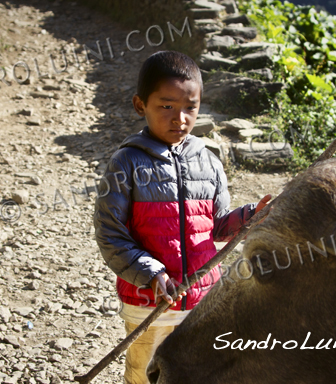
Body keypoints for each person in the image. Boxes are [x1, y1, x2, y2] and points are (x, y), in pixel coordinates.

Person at [94, 50, 271, 384]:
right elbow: (110, 233)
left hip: (203, 300)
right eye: (166, 106)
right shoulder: (127, 164)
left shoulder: (209, 162)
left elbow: (218, 225)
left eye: (190, 107)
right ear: (139, 105)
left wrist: (251, 217)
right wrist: (150, 273)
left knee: (200, 373)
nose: (180, 119)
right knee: (145, 373)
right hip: (148, 301)